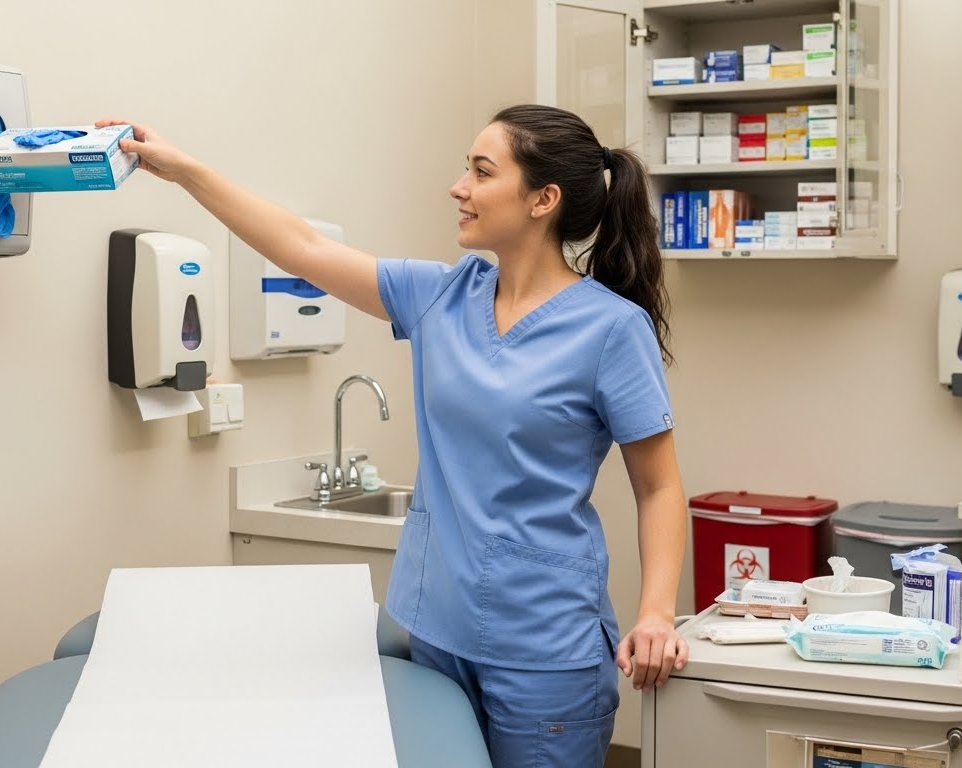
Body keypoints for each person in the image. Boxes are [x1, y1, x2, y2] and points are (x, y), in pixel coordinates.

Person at [97, 104, 688, 767]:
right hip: (434, 632)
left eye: (481, 171)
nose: (457, 186)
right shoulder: (442, 296)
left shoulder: (610, 329)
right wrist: (184, 171)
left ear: (541, 199)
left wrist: (656, 613)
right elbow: (303, 247)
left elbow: (659, 486)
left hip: (544, 649)